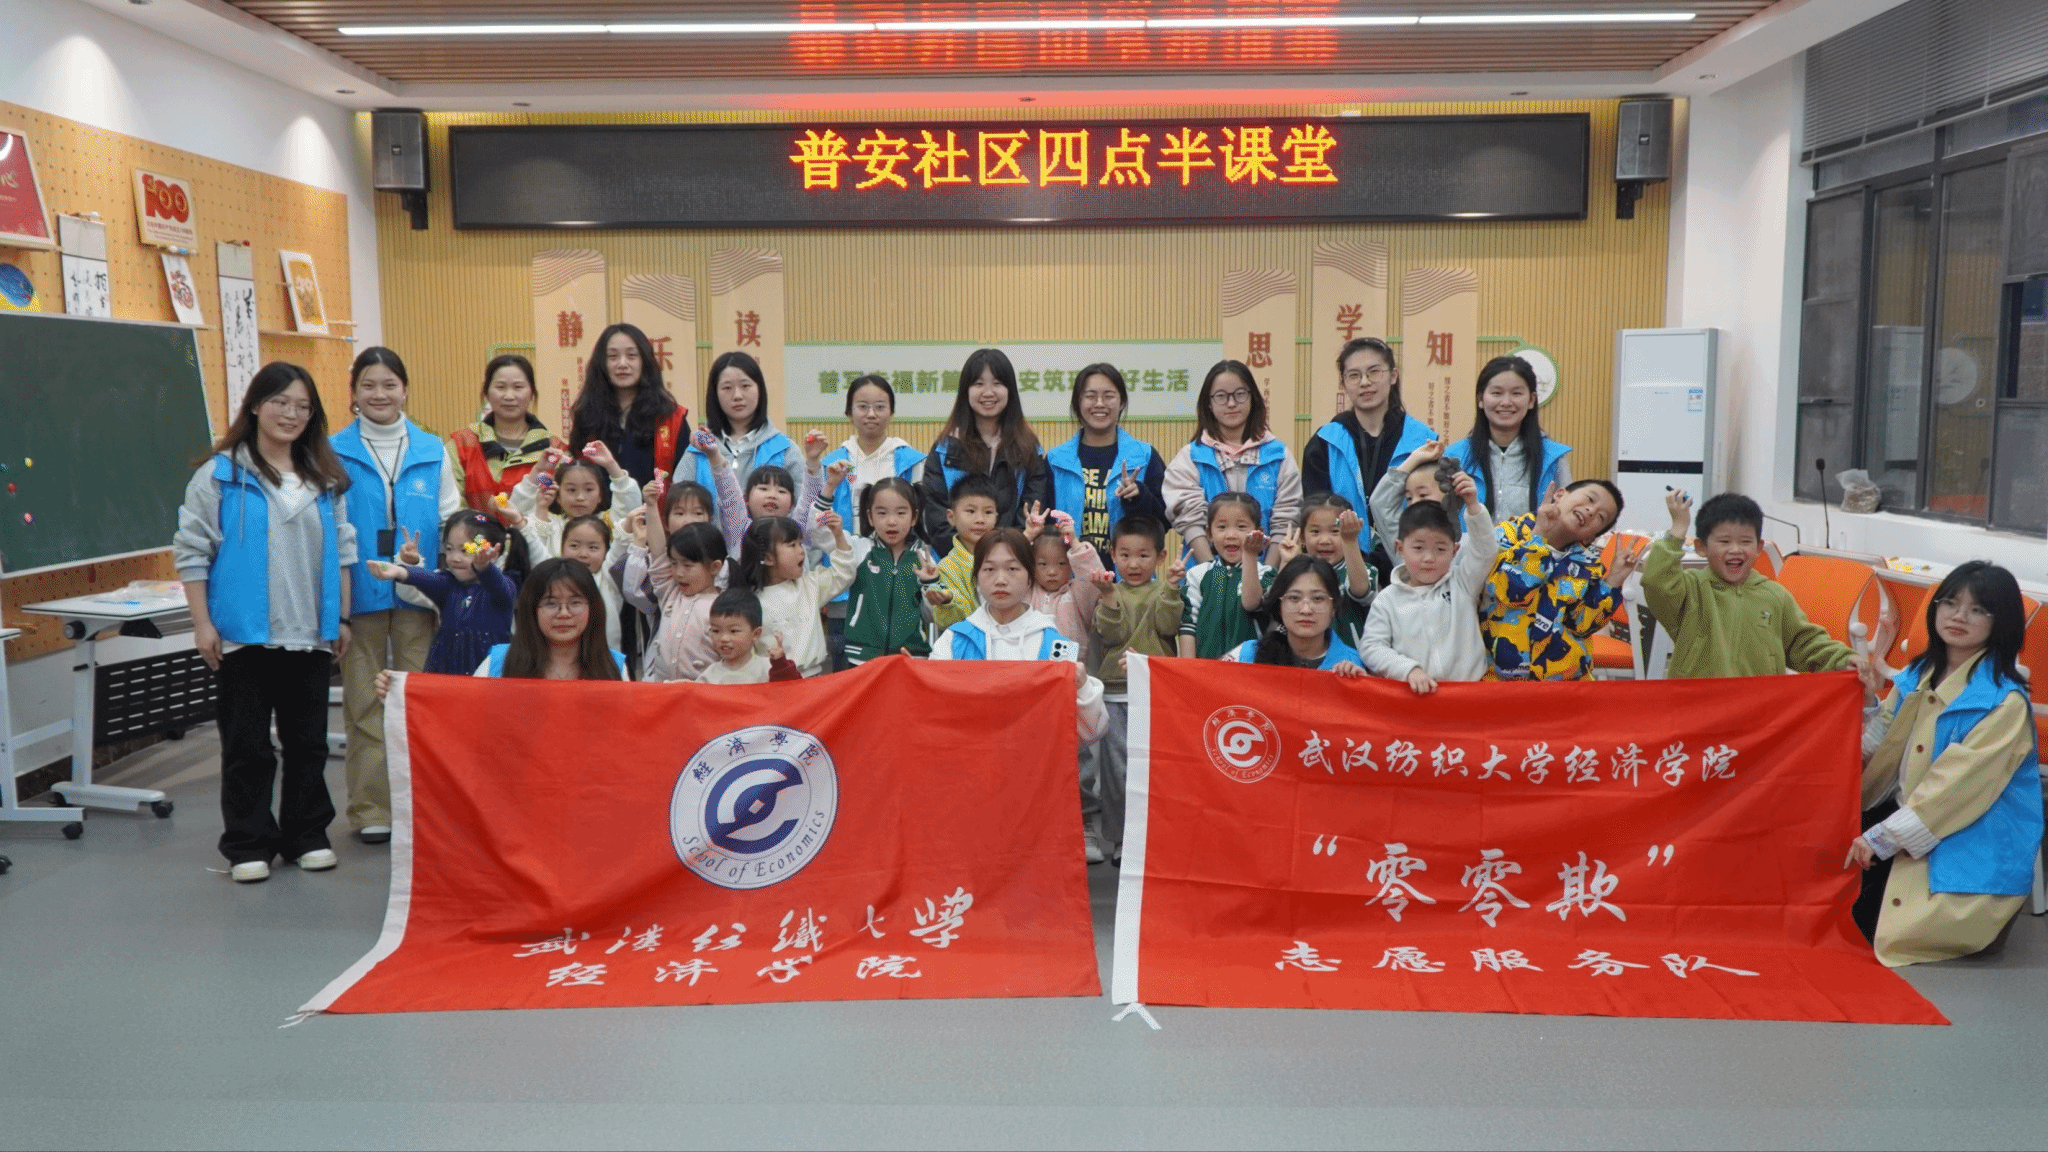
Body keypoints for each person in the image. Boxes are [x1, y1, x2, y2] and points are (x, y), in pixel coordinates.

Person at [173, 362, 355, 884]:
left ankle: (307, 835)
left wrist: (341, 617)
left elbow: (344, 552)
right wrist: (203, 624)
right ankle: (248, 843)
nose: (291, 414)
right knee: (247, 746)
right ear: (255, 405)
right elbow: (192, 551)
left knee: (309, 744)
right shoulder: (220, 474)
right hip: (243, 633)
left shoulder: (325, 478)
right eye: (280, 402)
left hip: (310, 633)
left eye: (303, 406)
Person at [1849, 561, 2043, 966]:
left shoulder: (2003, 703)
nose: (1959, 616)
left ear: (2002, 622)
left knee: (1862, 926)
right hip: (1910, 813)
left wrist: (1880, 839)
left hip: (1959, 830)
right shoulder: (1919, 674)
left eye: (1978, 610)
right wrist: (1866, 699)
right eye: (1950, 603)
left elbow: (1951, 793)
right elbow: (1881, 745)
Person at [327, 346, 460, 847]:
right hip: (358, 593)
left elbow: (449, 518)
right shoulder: (331, 450)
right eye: (368, 385)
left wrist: (444, 585)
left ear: (405, 389)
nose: (379, 394)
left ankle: (422, 805)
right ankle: (371, 809)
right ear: (354, 392)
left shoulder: (431, 448)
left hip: (417, 592)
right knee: (363, 702)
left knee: (419, 700)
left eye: (389, 384)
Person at [1645, 490, 1862, 679]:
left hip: (1760, 706)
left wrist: (1842, 659)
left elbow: (1803, 643)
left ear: (1759, 547)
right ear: (1701, 547)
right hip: (1699, 705)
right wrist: (1678, 528)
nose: (1735, 549)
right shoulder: (1690, 589)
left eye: (1745, 541)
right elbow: (1656, 582)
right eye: (1724, 541)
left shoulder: (1775, 595)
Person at [930, 528, 1108, 750]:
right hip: (971, 763)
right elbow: (934, 714)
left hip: (1032, 766)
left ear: (1030, 578)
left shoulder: (1056, 647)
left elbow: (1090, 732)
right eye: (989, 569)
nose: (1000, 580)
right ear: (976, 578)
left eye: (1012, 569)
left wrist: (1082, 688)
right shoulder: (955, 640)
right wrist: (916, 679)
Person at [1480, 480, 1645, 682]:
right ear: (1559, 495)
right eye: (1590, 498)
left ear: (1592, 537)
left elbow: (1582, 625)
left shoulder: (1587, 565)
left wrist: (1612, 580)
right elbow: (1510, 592)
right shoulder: (1506, 535)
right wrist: (1539, 536)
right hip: (1498, 678)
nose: (1591, 511)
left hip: (1562, 680)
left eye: (1601, 517)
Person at [1303, 337, 1436, 580]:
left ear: (1393, 376)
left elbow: (1432, 512)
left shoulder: (1423, 442)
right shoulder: (1324, 443)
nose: (1365, 382)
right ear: (1343, 382)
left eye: (1374, 372)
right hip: (1340, 573)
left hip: (1411, 570)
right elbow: (1315, 513)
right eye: (1354, 375)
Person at [1091, 514, 1184, 863]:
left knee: (1155, 769)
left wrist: (1171, 587)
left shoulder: (1163, 590)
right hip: (1115, 692)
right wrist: (1108, 597)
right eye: (1125, 555)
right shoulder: (1109, 591)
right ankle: (1119, 840)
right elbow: (1110, 636)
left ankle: (1153, 837)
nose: (1133, 564)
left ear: (1160, 557)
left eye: (1143, 555)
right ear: (1113, 554)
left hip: (1155, 692)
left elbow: (1168, 626)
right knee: (1116, 772)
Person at [819, 374, 927, 669]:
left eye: (880, 406)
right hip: (845, 583)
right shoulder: (833, 463)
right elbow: (817, 526)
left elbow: (923, 522)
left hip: (899, 585)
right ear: (849, 412)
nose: (871, 414)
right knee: (849, 677)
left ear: (891, 412)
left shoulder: (912, 461)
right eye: (862, 406)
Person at [1360, 474, 1501, 693]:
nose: (1428, 558)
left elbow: (1486, 551)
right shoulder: (1387, 600)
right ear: (1400, 548)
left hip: (1469, 695)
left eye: (1440, 549)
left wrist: (1473, 506)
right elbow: (1371, 647)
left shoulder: (1462, 582)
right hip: (1415, 698)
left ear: (1455, 551)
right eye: (1418, 548)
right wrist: (1408, 670)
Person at [917, 347, 1052, 555]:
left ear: (1010, 390)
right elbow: (936, 517)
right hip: (955, 565)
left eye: (997, 383)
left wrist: (999, 559)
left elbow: (1030, 512)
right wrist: (970, 561)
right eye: (978, 384)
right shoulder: (945, 449)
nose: (988, 392)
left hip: (1011, 562)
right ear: (966, 391)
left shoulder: (1029, 449)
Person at [1163, 360, 1300, 562]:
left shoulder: (1279, 456)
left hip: (1265, 569)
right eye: (1221, 396)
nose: (1231, 403)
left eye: (1240, 394)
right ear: (1208, 403)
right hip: (1205, 573)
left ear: (1253, 398)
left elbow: (1286, 520)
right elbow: (1190, 522)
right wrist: (1213, 574)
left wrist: (1268, 574)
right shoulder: (1190, 457)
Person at [362, 510, 517, 676]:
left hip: (488, 678)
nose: (455, 558)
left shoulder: (504, 587)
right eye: (449, 549)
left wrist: (485, 568)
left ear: (493, 553)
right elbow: (428, 579)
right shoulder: (449, 584)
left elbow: (498, 586)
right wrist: (399, 570)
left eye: (465, 550)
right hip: (445, 679)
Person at [1048, 363, 1168, 564]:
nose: (1099, 403)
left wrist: (1140, 498)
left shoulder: (1144, 456)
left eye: (1109, 396)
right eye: (1090, 396)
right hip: (1069, 576)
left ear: (1121, 402)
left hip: (1129, 576)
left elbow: (1165, 522)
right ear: (1077, 402)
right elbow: (1045, 526)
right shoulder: (1056, 460)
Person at [1442, 355, 1572, 525]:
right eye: (1496, 393)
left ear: (1531, 400)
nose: (1506, 402)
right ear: (1480, 399)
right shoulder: (1454, 456)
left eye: (1516, 393)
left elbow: (1566, 519)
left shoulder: (1553, 458)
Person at [676, 351, 797, 518]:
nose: (737, 396)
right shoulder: (697, 450)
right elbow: (677, 507)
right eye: (727, 388)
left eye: (745, 386)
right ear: (715, 394)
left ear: (760, 389)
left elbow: (803, 512)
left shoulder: (784, 449)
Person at [568, 322, 690, 488]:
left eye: (632, 356)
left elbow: (685, 484)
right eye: (613, 357)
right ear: (602, 364)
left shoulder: (671, 418)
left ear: (645, 361)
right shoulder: (586, 415)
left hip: (655, 505)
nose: (622, 364)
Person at [735, 512, 857, 677]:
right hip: (772, 683)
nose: (801, 551)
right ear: (768, 558)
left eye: (800, 543)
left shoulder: (809, 586)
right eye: (792, 545)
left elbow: (844, 573)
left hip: (814, 680)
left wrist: (838, 535)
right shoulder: (749, 602)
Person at [1252, 493, 1375, 651]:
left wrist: (1350, 540)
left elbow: (1360, 589)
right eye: (1315, 532)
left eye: (1335, 531)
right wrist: (1287, 563)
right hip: (1296, 660)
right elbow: (1274, 604)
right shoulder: (1296, 571)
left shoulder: (1360, 570)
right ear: (1302, 537)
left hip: (1346, 661)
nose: (1324, 540)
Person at [447, 353, 564, 511]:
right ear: (486, 392)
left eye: (518, 387)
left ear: (532, 393)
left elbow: (565, 508)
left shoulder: (555, 449)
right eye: (500, 387)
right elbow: (451, 506)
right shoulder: (461, 445)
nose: (509, 396)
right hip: (474, 528)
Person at [841, 477, 938, 665]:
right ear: (870, 517)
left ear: (914, 517)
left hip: (910, 658)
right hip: (861, 658)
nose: (892, 521)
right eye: (882, 513)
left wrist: (933, 583)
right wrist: (828, 486)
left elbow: (936, 614)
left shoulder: (924, 557)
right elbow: (817, 533)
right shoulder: (860, 549)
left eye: (901, 513)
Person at [1224, 556, 1368, 675]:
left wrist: (1361, 685)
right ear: (1279, 605)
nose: (1306, 610)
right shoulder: (1247, 655)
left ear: (1334, 606)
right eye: (1294, 598)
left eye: (1318, 599)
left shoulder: (1353, 665)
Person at [510, 441, 642, 557]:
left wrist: (611, 464)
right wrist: (538, 470)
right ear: (558, 496)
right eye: (571, 490)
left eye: (589, 489)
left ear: (600, 495)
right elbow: (517, 514)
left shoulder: (609, 522)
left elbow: (629, 507)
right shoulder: (546, 522)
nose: (580, 498)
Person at [1177, 491, 1268, 659]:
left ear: (1258, 532)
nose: (1231, 535)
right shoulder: (1197, 575)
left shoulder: (1265, 573)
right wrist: (1188, 668)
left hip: (1250, 667)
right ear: (1209, 534)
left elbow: (1251, 603)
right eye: (1222, 527)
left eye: (1241, 527)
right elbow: (1188, 625)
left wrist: (1250, 555)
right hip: (1206, 668)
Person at [636, 520, 728, 683]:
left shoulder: (725, 608)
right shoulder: (670, 593)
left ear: (714, 567)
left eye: (687, 565)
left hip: (702, 694)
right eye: (673, 563)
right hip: (662, 690)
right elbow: (658, 554)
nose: (678, 573)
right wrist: (651, 508)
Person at [1026, 507, 1107, 664]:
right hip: (1031, 666)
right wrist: (1028, 536)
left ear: (1071, 565)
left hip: (1072, 667)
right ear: (1032, 565)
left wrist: (1074, 542)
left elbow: (1094, 576)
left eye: (1061, 563)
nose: (1052, 572)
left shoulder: (1078, 593)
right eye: (1042, 564)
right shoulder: (1026, 591)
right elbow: (1010, 567)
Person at [927, 474, 1002, 632]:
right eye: (971, 511)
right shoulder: (947, 567)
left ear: (996, 517)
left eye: (988, 512)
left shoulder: (1006, 558)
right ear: (951, 517)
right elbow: (946, 621)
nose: (980, 519)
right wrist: (948, 600)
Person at [1369, 438, 1465, 560]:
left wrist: (1472, 504)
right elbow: (1380, 503)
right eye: (1409, 498)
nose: (1414, 503)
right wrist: (1414, 459)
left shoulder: (1467, 544)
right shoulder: (1404, 538)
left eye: (1423, 495)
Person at [697, 589, 802, 685]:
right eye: (716, 631)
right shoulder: (709, 677)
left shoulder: (768, 668)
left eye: (733, 631)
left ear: (755, 634)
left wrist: (780, 664)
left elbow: (794, 689)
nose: (724, 638)